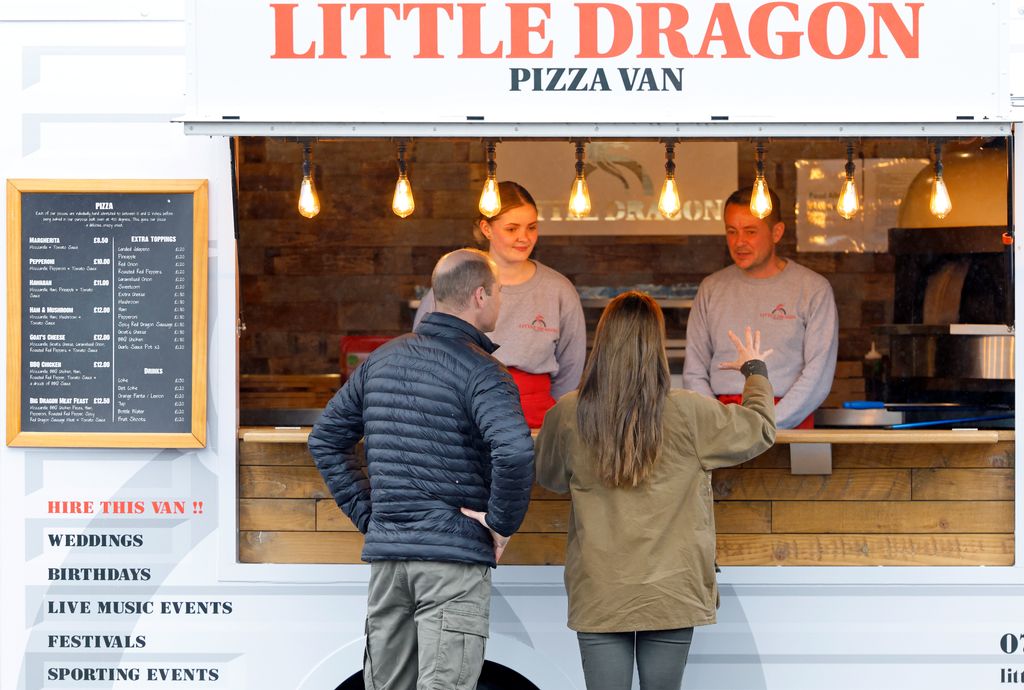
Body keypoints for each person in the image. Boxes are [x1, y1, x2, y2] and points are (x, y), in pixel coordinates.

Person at [308, 248, 535, 690]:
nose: (501, 302)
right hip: (452, 565)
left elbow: (325, 439)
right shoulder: (484, 371)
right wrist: (500, 524)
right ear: (481, 295)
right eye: (501, 293)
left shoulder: (382, 359)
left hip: (389, 564)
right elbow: (515, 451)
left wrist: (374, 519)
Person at [535, 292, 776, 690]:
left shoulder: (568, 413)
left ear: (604, 341)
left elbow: (550, 476)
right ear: (656, 345)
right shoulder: (690, 411)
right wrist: (754, 369)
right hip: (671, 587)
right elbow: (761, 428)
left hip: (601, 588)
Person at [415, 181, 586, 428]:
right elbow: (423, 354)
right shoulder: (451, 284)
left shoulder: (559, 289)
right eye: (511, 229)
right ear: (486, 228)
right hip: (464, 419)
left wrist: (555, 423)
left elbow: (571, 369)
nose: (524, 238)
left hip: (537, 423)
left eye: (532, 227)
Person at [683, 187, 838, 429]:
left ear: (777, 232)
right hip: (721, 423)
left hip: (789, 423)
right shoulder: (711, 288)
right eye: (731, 231)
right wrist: (718, 424)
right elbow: (694, 370)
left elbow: (818, 377)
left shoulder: (813, 289)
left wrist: (766, 423)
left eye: (750, 231)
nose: (739, 242)